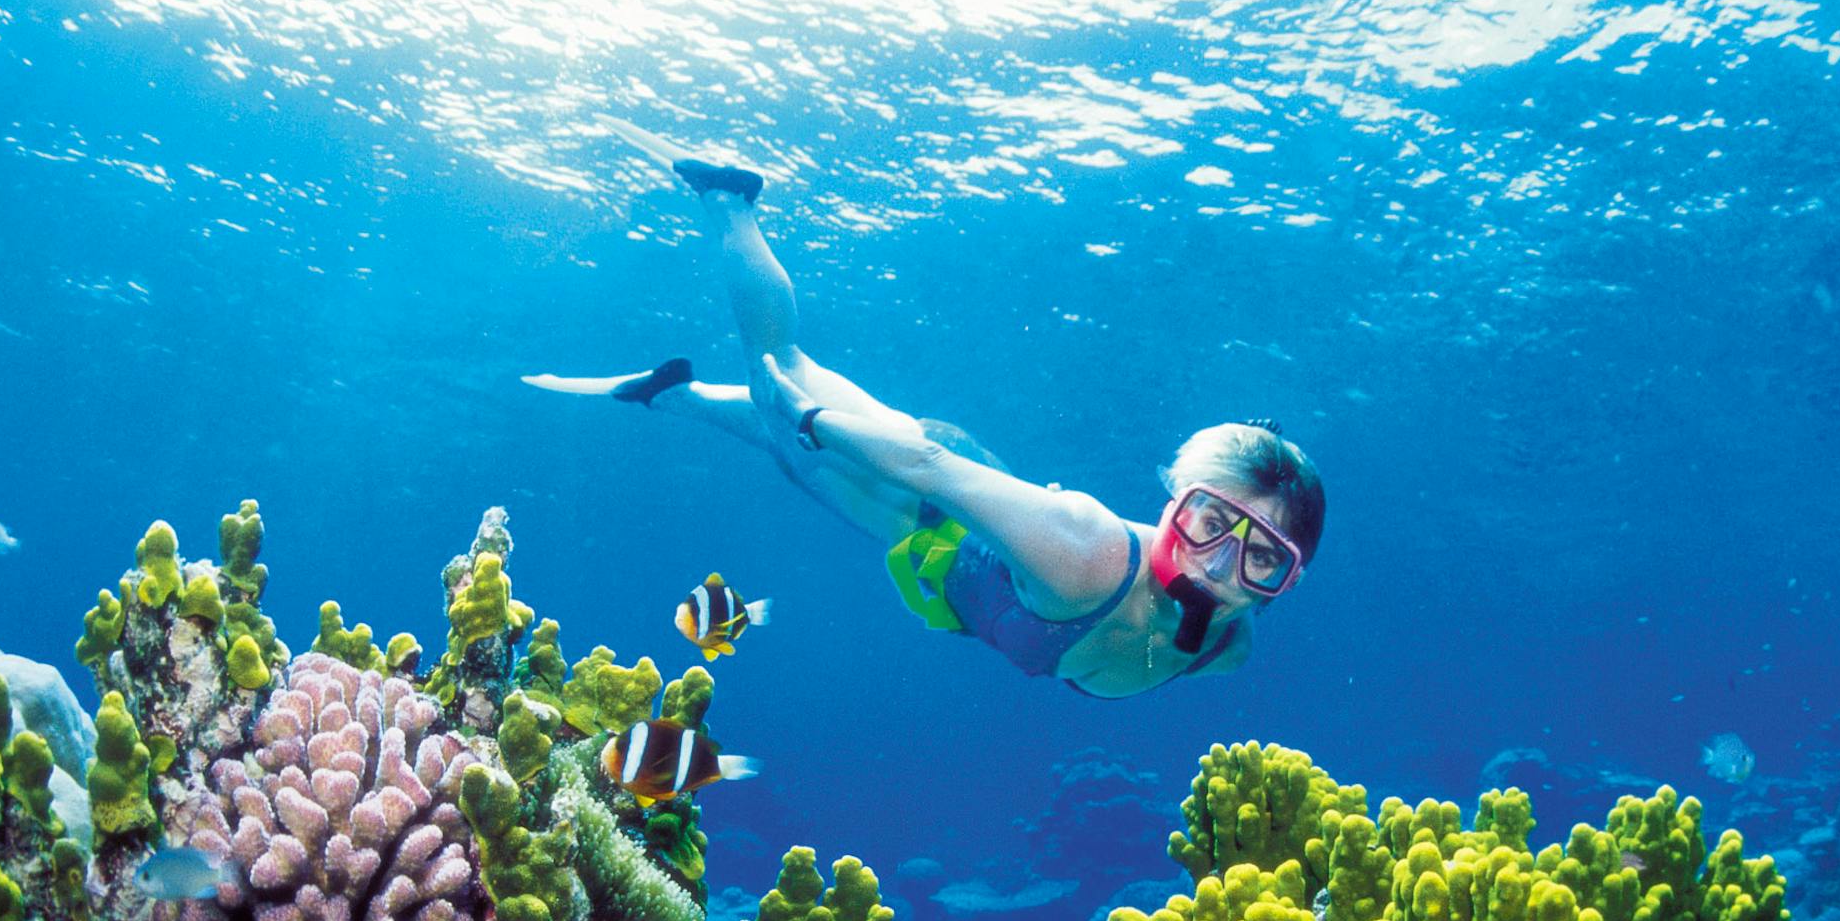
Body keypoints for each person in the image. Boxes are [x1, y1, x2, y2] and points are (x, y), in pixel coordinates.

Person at [525, 118, 1326, 700]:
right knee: (786, 376)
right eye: (1211, 522)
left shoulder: (1228, 642)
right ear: (1175, 501)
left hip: (947, 531)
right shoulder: (1084, 552)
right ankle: (730, 204)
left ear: (1286, 583)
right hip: (918, 499)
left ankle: (673, 393)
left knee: (785, 450)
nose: (1219, 565)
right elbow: (935, 469)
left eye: (1263, 559)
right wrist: (812, 421)